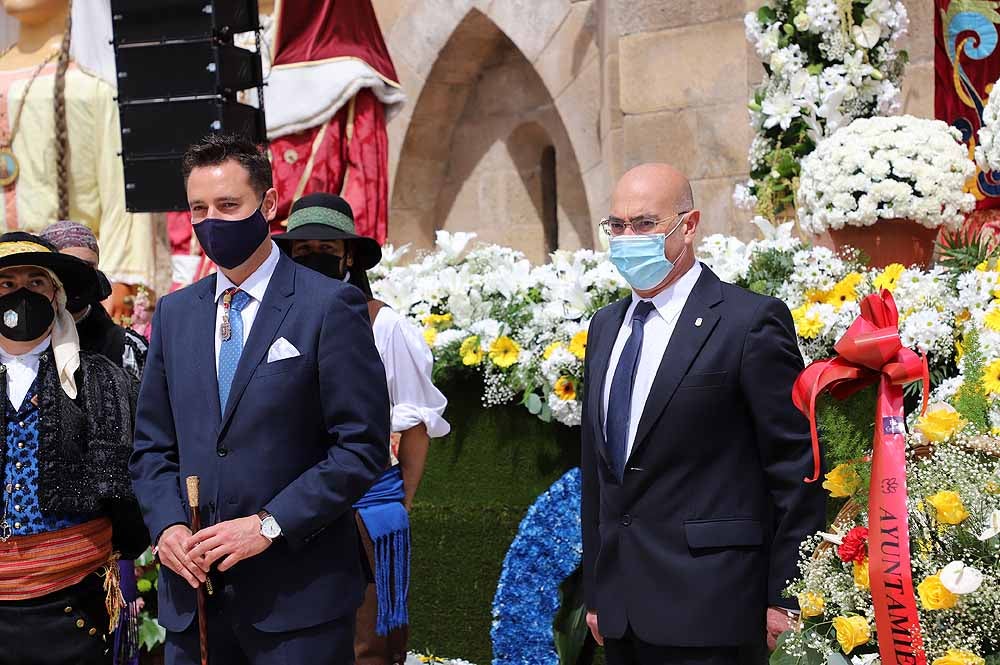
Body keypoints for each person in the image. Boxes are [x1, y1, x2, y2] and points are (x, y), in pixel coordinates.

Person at [130, 134, 390, 665]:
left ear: (269, 205)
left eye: (229, 205)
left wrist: (268, 524)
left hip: (298, 604)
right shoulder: (176, 314)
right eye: (198, 209)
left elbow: (360, 447)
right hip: (194, 602)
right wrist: (168, 527)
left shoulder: (329, 305)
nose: (212, 222)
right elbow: (152, 448)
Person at [580, 164, 825, 665]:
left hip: (715, 609)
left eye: (645, 224)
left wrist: (788, 594)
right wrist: (597, 589)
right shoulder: (605, 327)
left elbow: (795, 467)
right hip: (623, 612)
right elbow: (597, 471)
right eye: (617, 226)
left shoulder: (748, 322)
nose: (628, 238)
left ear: (688, 225)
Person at [274, 193, 450, 665]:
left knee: (366, 643)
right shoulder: (270, 324)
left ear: (349, 256)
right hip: (286, 510)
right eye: (301, 250)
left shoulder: (384, 326)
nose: (312, 259)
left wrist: (397, 503)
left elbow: (416, 424)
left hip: (364, 508)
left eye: (325, 250)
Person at [0, 232, 148, 665]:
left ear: (57, 295)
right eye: (7, 283)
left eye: (35, 283)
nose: (21, 294)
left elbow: (132, 484)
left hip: (73, 604)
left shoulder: (102, 381)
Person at [41, 220, 148, 381]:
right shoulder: (18, 345)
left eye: (88, 267)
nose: (80, 276)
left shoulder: (124, 347)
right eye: (70, 266)